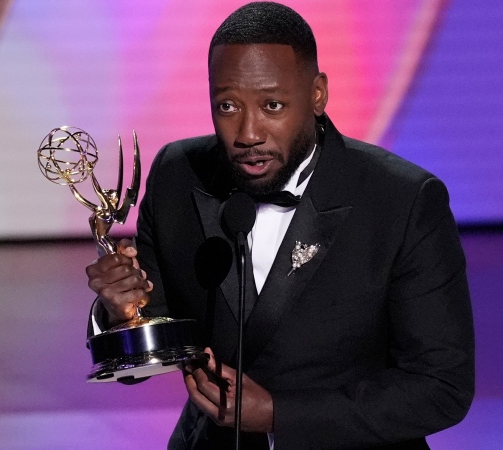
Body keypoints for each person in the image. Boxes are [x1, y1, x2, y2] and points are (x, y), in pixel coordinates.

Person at [85, 2, 474, 449]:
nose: (248, 133)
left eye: (272, 105)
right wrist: (121, 313)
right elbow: (152, 351)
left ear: (317, 94)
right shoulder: (179, 174)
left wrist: (278, 416)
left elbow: (442, 387)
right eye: (227, 105)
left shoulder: (402, 201)